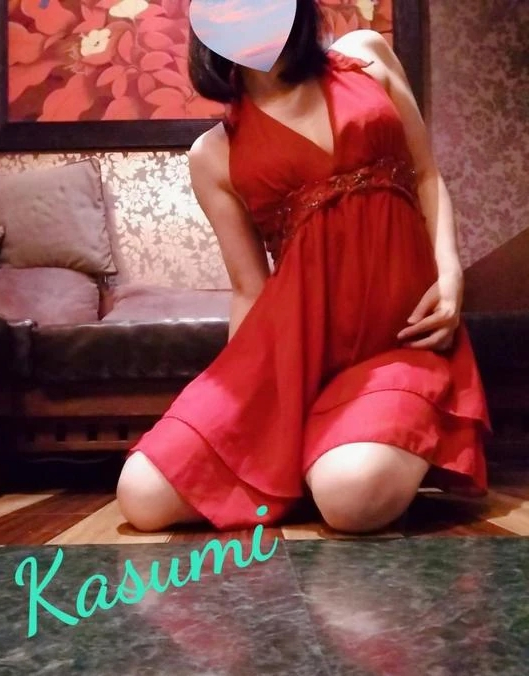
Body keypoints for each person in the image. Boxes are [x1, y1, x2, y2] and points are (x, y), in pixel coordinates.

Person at [116, 1, 492, 534]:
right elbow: (250, 288)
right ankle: (311, 453)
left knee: (351, 498)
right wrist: (246, 408)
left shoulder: (367, 55)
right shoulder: (212, 154)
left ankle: (336, 454)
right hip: (289, 350)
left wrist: (450, 275)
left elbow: (427, 175)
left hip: (400, 343)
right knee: (142, 496)